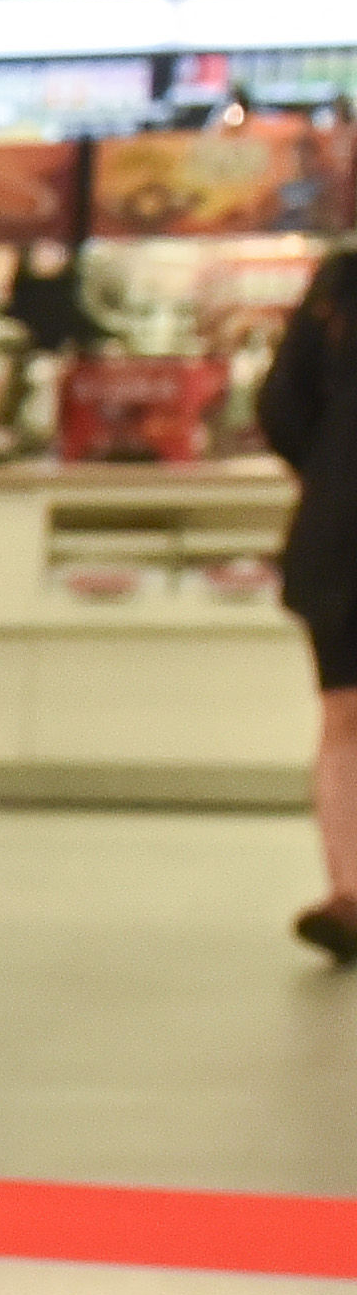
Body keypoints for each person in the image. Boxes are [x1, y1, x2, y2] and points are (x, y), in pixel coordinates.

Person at [246, 245, 357, 958]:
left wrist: (329, 469)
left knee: (346, 716)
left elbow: (280, 406)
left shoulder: (341, 284)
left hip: (341, 534)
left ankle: (350, 890)